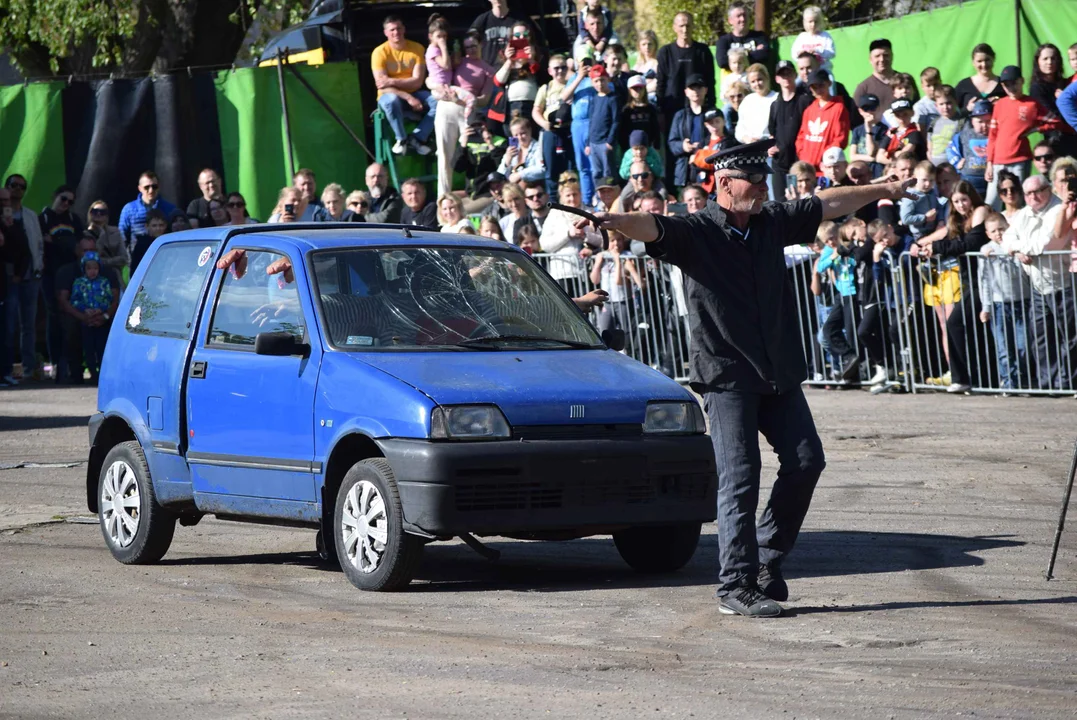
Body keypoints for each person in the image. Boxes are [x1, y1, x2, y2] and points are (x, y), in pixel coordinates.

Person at [576, 139, 913, 616]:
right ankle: (735, 585)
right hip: (726, 376)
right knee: (740, 477)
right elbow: (651, 227)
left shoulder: (771, 222)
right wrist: (613, 220)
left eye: (763, 182)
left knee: (806, 462)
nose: (761, 190)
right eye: (752, 183)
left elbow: (827, 203)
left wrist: (887, 187)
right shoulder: (695, 231)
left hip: (777, 371)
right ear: (724, 184)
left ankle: (767, 560)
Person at [999, 174, 1074, 391]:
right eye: (1028, 193)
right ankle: (1047, 384)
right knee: (1041, 337)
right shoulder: (1024, 213)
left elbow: (1046, 242)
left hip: (1063, 282)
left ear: (1048, 189)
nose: (1033, 197)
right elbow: (1007, 238)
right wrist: (1017, 249)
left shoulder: (1058, 210)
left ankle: (1067, 382)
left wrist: (1021, 248)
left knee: (1068, 337)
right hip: (1038, 284)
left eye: (1037, 191)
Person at [433, 30, 496, 200]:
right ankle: (443, 197)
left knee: (467, 154)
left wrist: (464, 100)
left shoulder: (488, 70)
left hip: (468, 112)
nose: (471, 51)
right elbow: (438, 75)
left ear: (481, 45)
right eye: (467, 47)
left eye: (474, 46)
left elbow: (484, 99)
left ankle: (476, 193)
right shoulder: (458, 61)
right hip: (446, 108)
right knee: (444, 155)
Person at [986, 66, 1059, 209]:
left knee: (1019, 200)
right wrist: (989, 162)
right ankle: (990, 230)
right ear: (1002, 86)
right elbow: (993, 135)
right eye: (1006, 84)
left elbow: (1055, 122)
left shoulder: (1032, 104)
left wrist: (1037, 129)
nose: (1011, 87)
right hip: (998, 161)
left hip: (1019, 159)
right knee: (992, 202)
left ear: (1022, 81)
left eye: (1014, 82)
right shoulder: (1000, 104)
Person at [656, 12, 716, 182]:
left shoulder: (702, 51)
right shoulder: (665, 52)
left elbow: (710, 82)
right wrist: (661, 112)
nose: (685, 29)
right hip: (672, 111)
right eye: (681, 25)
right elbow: (660, 84)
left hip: (699, 111)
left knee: (701, 150)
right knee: (674, 151)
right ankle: (674, 189)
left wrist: (710, 109)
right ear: (674, 28)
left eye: (688, 25)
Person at [979, 212, 1032, 390]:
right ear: (988, 233)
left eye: (1001, 229)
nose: (998, 234)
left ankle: (1023, 379)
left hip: (1021, 300)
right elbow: (984, 280)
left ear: (1007, 228)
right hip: (999, 304)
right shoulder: (986, 250)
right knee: (1003, 348)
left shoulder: (1015, 245)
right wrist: (985, 306)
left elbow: (1024, 272)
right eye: (993, 231)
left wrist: (1016, 254)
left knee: (1022, 345)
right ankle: (1009, 382)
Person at [373, 15, 435, 157]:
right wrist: (407, 97)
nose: (396, 32)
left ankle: (417, 138)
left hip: (415, 92)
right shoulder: (379, 52)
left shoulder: (417, 48)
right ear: (386, 33)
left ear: (404, 29)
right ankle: (401, 139)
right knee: (391, 100)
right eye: (392, 29)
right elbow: (382, 86)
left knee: (438, 102)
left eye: (399, 28)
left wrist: (392, 80)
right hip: (390, 95)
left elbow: (418, 81)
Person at [1, 179, 37, 383]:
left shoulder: (28, 216)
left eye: (22, 187)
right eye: (13, 186)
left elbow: (29, 247)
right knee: (8, 325)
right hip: (4, 280)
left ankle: (27, 368)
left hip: (24, 276)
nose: (17, 190)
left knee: (25, 325)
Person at [539, 177, 600, 292]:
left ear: (580, 194)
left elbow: (602, 240)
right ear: (561, 196)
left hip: (587, 272)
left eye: (575, 194)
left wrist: (586, 236)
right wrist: (568, 234)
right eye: (568, 195)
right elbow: (545, 244)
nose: (572, 199)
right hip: (562, 273)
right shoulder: (554, 214)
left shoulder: (589, 212)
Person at [68, 250, 116, 383]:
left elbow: (108, 299)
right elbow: (74, 300)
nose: (92, 271)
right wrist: (85, 310)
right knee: (88, 349)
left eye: (95, 268)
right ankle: (92, 373)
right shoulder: (79, 283)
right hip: (86, 320)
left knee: (101, 348)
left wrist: (101, 310)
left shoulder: (104, 282)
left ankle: (102, 373)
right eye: (89, 268)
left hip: (101, 321)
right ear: (84, 268)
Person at [768, 61, 812, 202]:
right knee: (781, 205)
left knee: (800, 203)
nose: (786, 77)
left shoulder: (805, 100)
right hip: (780, 164)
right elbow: (772, 132)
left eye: (789, 73)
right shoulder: (775, 105)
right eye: (782, 74)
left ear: (795, 75)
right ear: (777, 79)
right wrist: (770, 147)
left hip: (799, 163)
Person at [589, 230, 643, 342]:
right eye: (612, 240)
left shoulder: (626, 256)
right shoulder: (603, 256)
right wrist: (598, 264)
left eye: (619, 240)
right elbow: (595, 280)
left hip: (623, 300)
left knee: (626, 331)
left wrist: (618, 261)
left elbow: (619, 282)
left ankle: (629, 353)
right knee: (604, 330)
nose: (616, 243)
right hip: (607, 301)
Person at [533, 53, 573, 199]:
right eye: (556, 68)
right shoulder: (546, 88)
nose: (560, 71)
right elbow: (536, 110)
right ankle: (553, 203)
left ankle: (571, 201)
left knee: (570, 168)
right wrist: (544, 123)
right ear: (550, 71)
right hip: (550, 131)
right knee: (551, 170)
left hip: (568, 130)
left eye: (563, 68)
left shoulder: (572, 84)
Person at [489, 22, 539, 137]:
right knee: (515, 139)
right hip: (511, 106)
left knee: (532, 137)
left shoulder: (537, 53)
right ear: (511, 38)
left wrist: (531, 60)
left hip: (532, 105)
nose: (521, 38)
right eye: (517, 35)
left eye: (525, 34)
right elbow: (498, 81)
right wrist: (509, 61)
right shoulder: (503, 56)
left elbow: (542, 77)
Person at [794, 70, 849, 170]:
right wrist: (804, 156)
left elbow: (840, 139)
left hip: (826, 169)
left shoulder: (839, 108)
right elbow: (801, 137)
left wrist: (825, 159)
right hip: (807, 168)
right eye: (814, 87)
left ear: (829, 83)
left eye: (821, 85)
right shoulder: (809, 110)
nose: (818, 89)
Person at [669, 73, 715, 189]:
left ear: (705, 90)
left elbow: (721, 138)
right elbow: (672, 142)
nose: (695, 91)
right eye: (692, 88)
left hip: (708, 168)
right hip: (685, 170)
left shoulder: (713, 113)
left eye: (699, 88)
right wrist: (683, 146)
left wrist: (702, 148)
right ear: (686, 92)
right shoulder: (679, 116)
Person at [118, 171, 177, 254]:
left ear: (159, 187)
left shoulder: (169, 208)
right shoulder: (129, 209)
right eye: (146, 187)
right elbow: (122, 236)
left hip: (163, 254)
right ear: (140, 188)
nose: (151, 190)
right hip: (137, 255)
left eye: (154, 186)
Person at [470, 0, 536, 68]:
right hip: (488, 69)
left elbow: (534, 41)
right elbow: (469, 40)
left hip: (514, 68)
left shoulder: (520, 19)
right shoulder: (482, 20)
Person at [946, 99, 991, 199]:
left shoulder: (996, 135)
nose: (984, 125)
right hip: (969, 178)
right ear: (972, 121)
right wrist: (956, 162)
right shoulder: (965, 134)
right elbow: (950, 147)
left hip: (990, 179)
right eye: (980, 122)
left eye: (988, 121)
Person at [586, 64, 619, 187]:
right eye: (596, 81)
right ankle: (599, 197)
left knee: (608, 172)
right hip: (594, 142)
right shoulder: (594, 98)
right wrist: (588, 143)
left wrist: (610, 141)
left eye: (602, 80)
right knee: (596, 172)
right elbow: (591, 121)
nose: (600, 84)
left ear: (607, 79)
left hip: (605, 142)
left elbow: (616, 121)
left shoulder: (613, 99)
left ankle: (612, 196)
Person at [715, 2, 770, 72]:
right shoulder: (723, 40)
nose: (743, 19)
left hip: (755, 81)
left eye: (745, 15)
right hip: (734, 82)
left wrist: (734, 59)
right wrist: (752, 53)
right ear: (730, 20)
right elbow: (722, 62)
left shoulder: (760, 36)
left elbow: (764, 55)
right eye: (738, 16)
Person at [854, 39, 898, 125]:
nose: (882, 59)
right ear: (870, 59)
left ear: (892, 56)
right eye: (877, 56)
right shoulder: (863, 88)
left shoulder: (905, 82)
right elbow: (856, 121)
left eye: (886, 55)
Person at [954, 43, 1004, 114]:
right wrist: (967, 109)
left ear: (993, 59)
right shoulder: (963, 85)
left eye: (987, 60)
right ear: (973, 62)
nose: (984, 65)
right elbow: (953, 114)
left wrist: (1002, 105)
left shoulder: (1004, 84)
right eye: (979, 61)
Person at [84, 201, 129, 278]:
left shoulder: (115, 232)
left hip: (114, 275)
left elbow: (124, 258)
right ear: (90, 213)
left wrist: (104, 261)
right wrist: (101, 236)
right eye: (95, 211)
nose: (98, 214)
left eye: (102, 212)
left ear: (107, 216)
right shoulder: (85, 234)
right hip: (93, 276)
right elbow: (90, 260)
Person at [735, 64, 777, 146]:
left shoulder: (777, 98)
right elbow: (740, 129)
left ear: (767, 78)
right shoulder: (747, 100)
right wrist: (746, 138)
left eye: (759, 79)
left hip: (771, 145)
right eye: (753, 81)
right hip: (751, 148)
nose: (757, 84)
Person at [497, 116, 546, 184]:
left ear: (530, 130)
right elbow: (499, 175)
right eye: (516, 135)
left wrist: (520, 175)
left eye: (523, 133)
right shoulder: (511, 150)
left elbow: (542, 169)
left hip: (533, 186)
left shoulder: (539, 148)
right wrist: (507, 162)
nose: (520, 138)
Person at [618, 74, 659, 153]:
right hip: (631, 149)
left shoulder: (650, 108)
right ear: (629, 90)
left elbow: (655, 128)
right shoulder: (626, 110)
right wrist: (625, 147)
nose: (638, 91)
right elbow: (622, 132)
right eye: (635, 88)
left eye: (640, 88)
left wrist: (656, 145)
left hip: (648, 148)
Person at [925, 85, 963, 167]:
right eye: (941, 104)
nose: (945, 107)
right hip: (935, 167)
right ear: (936, 105)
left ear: (956, 102)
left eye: (948, 103)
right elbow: (929, 144)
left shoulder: (962, 122)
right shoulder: (933, 123)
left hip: (954, 167)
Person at [789, 6, 835, 74]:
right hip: (806, 73)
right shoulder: (801, 37)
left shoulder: (825, 36)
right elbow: (794, 54)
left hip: (824, 71)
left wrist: (818, 51)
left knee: (831, 83)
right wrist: (801, 54)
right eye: (810, 21)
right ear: (805, 22)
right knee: (796, 84)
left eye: (815, 21)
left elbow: (832, 53)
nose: (813, 24)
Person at [878, 98, 925, 163]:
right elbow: (879, 157)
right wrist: (895, 156)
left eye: (905, 114)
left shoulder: (914, 133)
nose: (901, 119)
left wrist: (889, 154)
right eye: (897, 115)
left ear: (912, 113)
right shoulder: (891, 132)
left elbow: (904, 155)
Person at [129, 209, 168, 273]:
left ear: (165, 225)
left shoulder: (169, 241)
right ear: (147, 226)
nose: (158, 228)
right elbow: (135, 268)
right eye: (154, 226)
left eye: (161, 225)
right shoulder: (141, 245)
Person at [633, 29, 660, 101]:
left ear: (655, 45)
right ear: (639, 46)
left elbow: (658, 83)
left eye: (650, 44)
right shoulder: (637, 66)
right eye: (644, 44)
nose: (647, 47)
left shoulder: (658, 63)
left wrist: (642, 91)